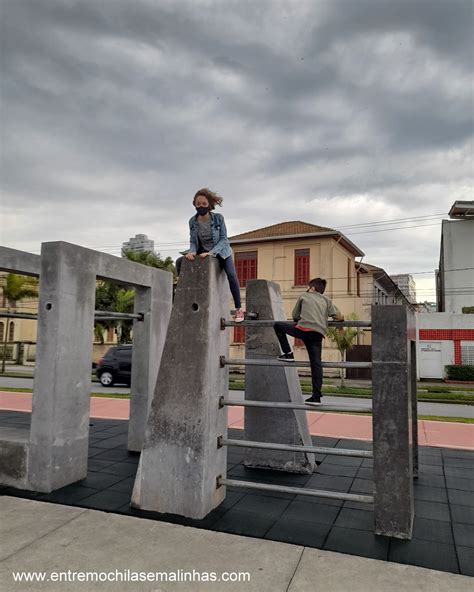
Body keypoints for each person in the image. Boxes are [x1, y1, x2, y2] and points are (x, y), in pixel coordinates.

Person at [176, 188, 245, 322]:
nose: (201, 206)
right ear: (194, 205)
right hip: (202, 252)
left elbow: (224, 239)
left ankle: (239, 309)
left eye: (204, 204)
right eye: (198, 204)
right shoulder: (192, 221)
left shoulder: (218, 218)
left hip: (221, 252)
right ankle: (183, 295)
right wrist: (192, 252)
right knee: (180, 262)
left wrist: (212, 252)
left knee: (231, 274)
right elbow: (193, 241)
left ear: (209, 204)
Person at [274, 277, 343, 405]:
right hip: (317, 334)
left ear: (312, 288)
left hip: (302, 330)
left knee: (278, 325)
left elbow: (295, 315)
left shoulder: (304, 296)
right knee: (316, 364)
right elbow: (339, 316)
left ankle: (288, 353)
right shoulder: (327, 300)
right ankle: (316, 397)